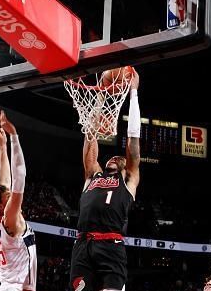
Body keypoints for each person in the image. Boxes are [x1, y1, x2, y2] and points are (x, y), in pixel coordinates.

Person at [70, 69, 141, 291]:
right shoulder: (93, 174)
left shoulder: (128, 179)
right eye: (111, 156)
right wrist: (100, 94)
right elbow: (90, 136)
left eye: (119, 158)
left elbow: (133, 140)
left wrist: (134, 94)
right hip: (83, 244)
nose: (113, 158)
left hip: (111, 245)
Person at [0, 110, 37, 291]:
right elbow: (19, 177)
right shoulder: (11, 218)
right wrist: (13, 135)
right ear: (1, 205)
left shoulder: (0, 222)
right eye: (8, 196)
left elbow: (4, 183)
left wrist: (2, 147)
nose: (11, 194)